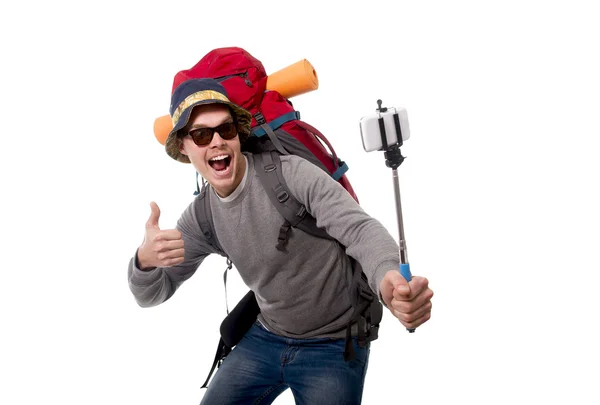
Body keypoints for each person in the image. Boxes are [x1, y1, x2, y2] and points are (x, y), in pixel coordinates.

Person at [128, 78, 433, 405]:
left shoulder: (290, 174)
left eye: (226, 129)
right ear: (185, 149)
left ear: (238, 134)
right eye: (202, 134)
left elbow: (359, 229)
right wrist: (144, 261)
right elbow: (152, 293)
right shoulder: (203, 217)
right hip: (267, 337)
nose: (217, 141)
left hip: (335, 342)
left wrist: (389, 281)